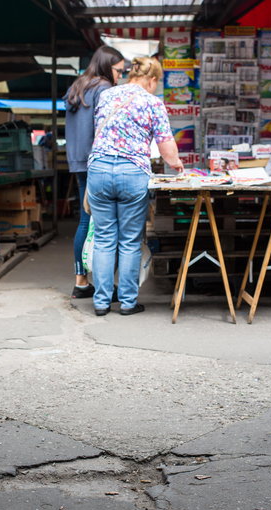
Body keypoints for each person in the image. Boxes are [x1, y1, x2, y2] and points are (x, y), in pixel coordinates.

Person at [87, 56, 184, 316]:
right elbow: (166, 146)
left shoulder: (107, 96)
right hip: (132, 173)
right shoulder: (152, 103)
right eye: (157, 83)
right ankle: (128, 303)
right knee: (129, 241)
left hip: (99, 170)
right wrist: (177, 165)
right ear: (151, 80)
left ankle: (101, 302)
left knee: (104, 239)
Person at [64, 45, 125, 299]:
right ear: (105, 66)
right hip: (100, 163)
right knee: (108, 226)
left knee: (85, 220)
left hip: (79, 162)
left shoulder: (77, 86)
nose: (120, 76)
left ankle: (81, 281)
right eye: (118, 70)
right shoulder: (104, 90)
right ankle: (105, 285)